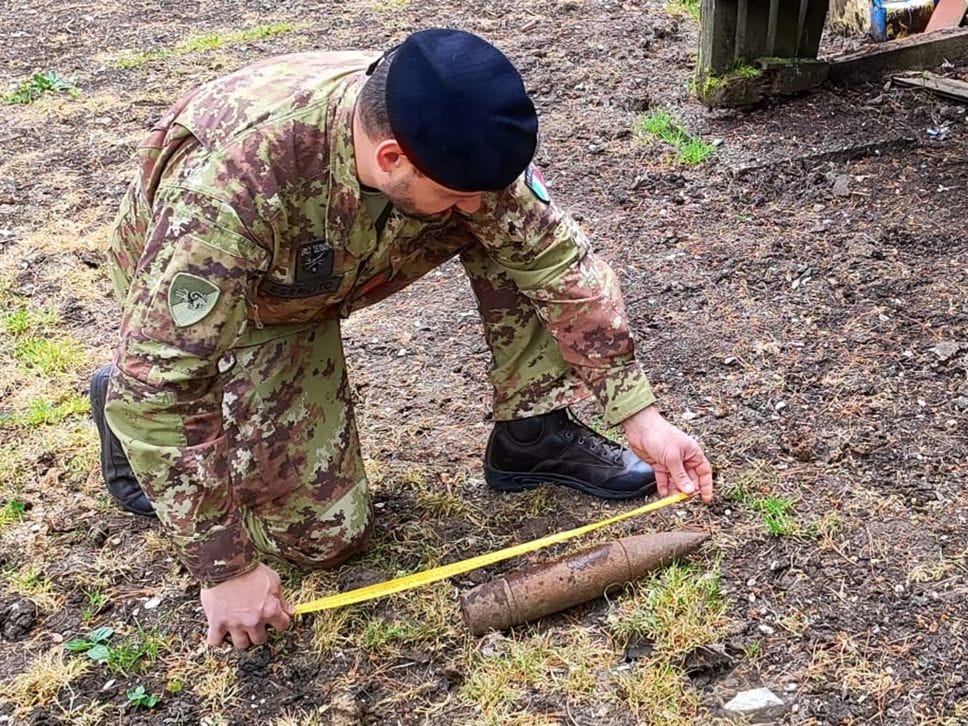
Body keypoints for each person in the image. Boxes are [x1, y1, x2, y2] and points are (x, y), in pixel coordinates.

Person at [89, 28, 714, 650]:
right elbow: (161, 384)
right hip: (241, 303)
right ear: (391, 158)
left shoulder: (452, 142)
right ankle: (131, 428)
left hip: (338, 255)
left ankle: (534, 430)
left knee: (508, 237)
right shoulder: (233, 189)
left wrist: (641, 415)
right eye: (457, 194)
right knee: (321, 540)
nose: (475, 206)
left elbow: (558, 263)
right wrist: (224, 571)